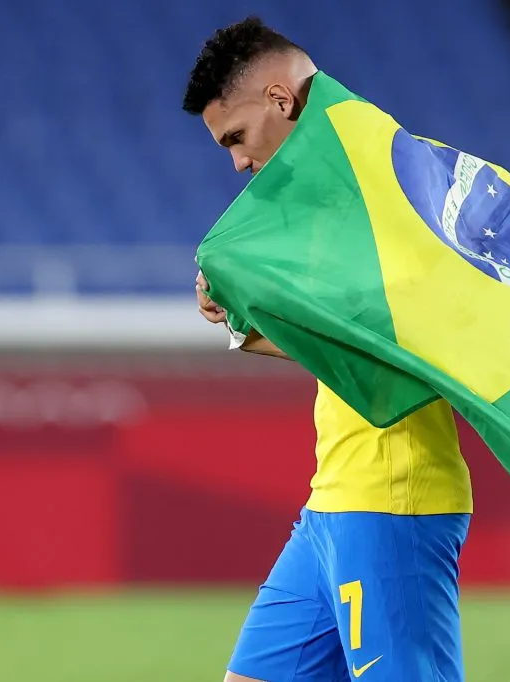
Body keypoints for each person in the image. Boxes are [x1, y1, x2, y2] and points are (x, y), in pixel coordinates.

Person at [183, 17, 473, 682]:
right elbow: (341, 341)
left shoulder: (380, 181)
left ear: (281, 102)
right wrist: (241, 323)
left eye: (237, 137)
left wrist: (249, 323)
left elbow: (405, 346)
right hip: (334, 502)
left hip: (392, 503)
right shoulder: (332, 186)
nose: (237, 162)